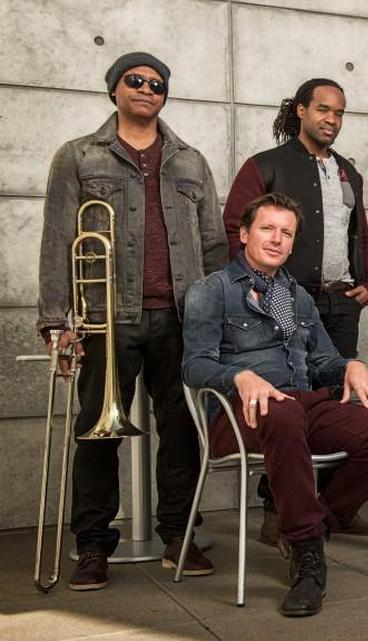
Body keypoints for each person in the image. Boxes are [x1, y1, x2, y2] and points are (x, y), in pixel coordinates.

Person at [37, 51, 228, 591]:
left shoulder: (190, 160)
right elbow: (58, 242)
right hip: (104, 319)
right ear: (114, 89)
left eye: (157, 84)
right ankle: (93, 545)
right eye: (135, 80)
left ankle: (178, 535)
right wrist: (57, 321)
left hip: (182, 317)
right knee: (97, 435)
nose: (147, 88)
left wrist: (219, 320)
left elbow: (213, 246)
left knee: (183, 432)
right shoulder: (77, 156)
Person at [182, 193, 368, 615]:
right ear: (245, 233)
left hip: (301, 403)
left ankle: (313, 527)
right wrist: (240, 376)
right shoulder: (211, 291)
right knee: (280, 410)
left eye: (286, 233)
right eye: (267, 228)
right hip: (238, 412)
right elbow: (194, 366)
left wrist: (350, 365)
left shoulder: (297, 296)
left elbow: (322, 360)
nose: (277, 239)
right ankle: (308, 560)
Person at [223, 78, 368, 543]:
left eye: (339, 112)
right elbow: (236, 227)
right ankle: (277, 509)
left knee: (339, 404)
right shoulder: (266, 166)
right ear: (300, 111)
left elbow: (362, 234)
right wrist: (251, 291)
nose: (331, 119)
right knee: (285, 402)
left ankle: (327, 505)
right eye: (322, 110)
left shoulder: (348, 173)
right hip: (281, 298)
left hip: (339, 303)